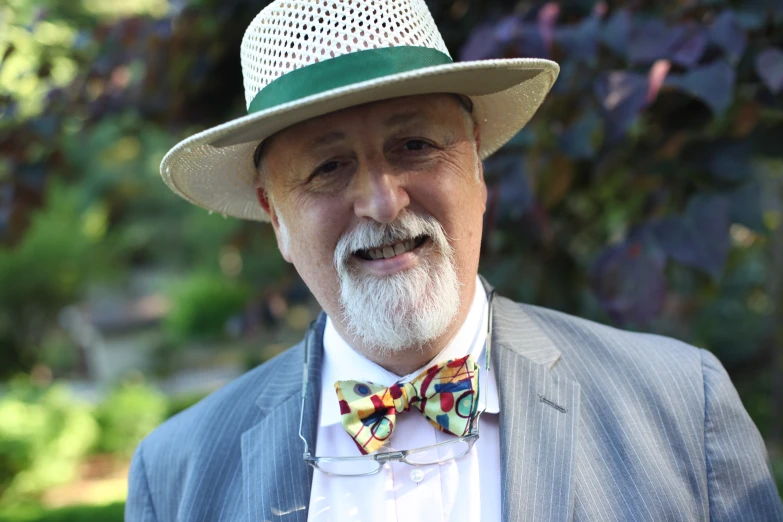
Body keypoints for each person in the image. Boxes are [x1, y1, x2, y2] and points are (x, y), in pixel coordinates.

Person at [126, 1, 783, 520]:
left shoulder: (677, 404)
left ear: (476, 163)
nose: (381, 202)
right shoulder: (178, 473)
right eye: (327, 167)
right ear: (275, 216)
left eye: (413, 145)